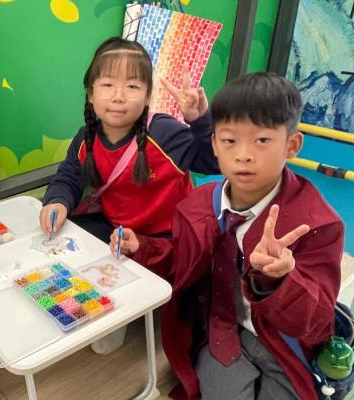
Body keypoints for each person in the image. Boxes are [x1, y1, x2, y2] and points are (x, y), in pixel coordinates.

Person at [122, 72, 344, 399]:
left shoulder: (316, 225)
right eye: (229, 141)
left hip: (283, 343)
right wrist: (142, 247)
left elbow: (317, 321)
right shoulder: (197, 206)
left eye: (262, 140)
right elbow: (182, 261)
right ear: (214, 144)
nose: (243, 155)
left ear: (292, 145)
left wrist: (279, 280)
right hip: (219, 329)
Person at [40, 36, 218, 269]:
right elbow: (69, 176)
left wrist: (200, 121)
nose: (118, 96)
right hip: (118, 234)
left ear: (147, 96)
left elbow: (215, 162)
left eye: (132, 86)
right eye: (107, 84)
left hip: (167, 242)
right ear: (91, 93)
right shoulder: (86, 138)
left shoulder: (165, 133)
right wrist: (57, 201)